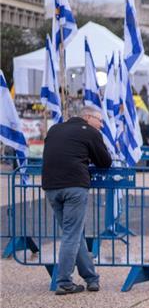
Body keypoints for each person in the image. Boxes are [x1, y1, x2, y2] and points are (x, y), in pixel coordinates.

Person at [41, 105, 113, 295]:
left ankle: (91, 278)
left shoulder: (54, 129)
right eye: (100, 120)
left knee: (73, 233)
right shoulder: (90, 132)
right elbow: (105, 162)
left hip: (50, 186)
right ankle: (64, 281)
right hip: (74, 185)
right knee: (71, 235)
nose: (102, 124)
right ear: (88, 117)